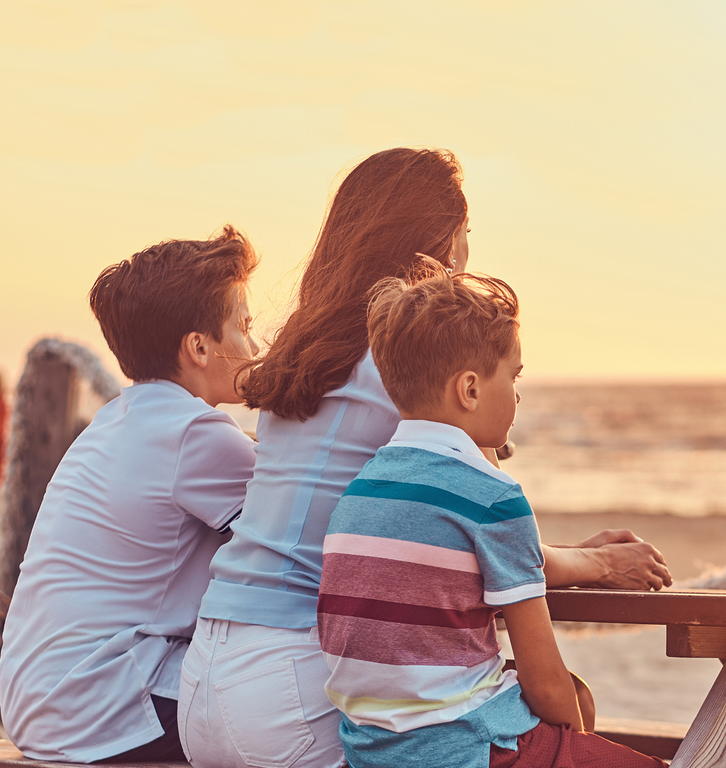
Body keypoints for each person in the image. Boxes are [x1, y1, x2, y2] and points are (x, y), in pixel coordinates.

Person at [179, 147, 672, 768]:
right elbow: (470, 523)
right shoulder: (401, 366)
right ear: (442, 245)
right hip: (296, 690)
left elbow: (423, 534)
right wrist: (596, 564)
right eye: (466, 236)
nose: (467, 256)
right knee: (550, 710)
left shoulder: (303, 356)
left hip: (206, 676)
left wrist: (562, 555)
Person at [319, 267, 666, 768]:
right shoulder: (493, 498)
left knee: (579, 700)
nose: (519, 394)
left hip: (373, 753)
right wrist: (575, 752)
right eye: (514, 375)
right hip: (469, 750)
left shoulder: (361, 492)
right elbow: (544, 684)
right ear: (470, 390)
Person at [0, 227, 259, 763]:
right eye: (246, 327)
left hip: (38, 702)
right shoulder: (196, 433)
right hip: (103, 708)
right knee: (297, 694)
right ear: (200, 347)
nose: (255, 347)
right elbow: (301, 531)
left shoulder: (116, 420)